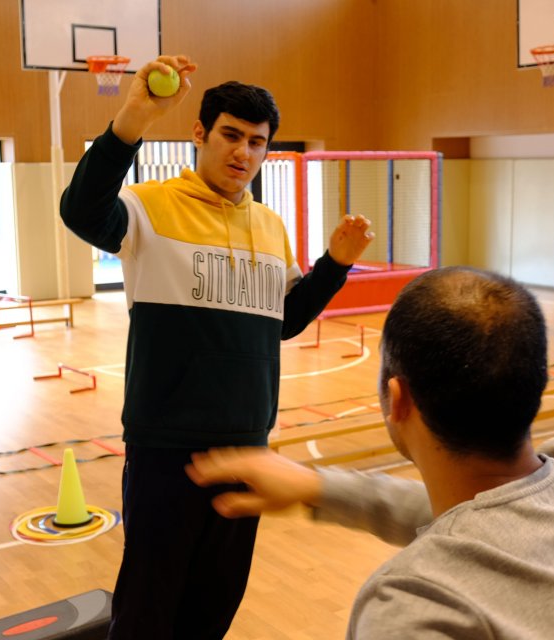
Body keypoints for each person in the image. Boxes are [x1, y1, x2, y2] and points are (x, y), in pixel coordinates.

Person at [59, 55, 375, 639]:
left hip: (247, 447)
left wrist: (335, 266)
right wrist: (134, 117)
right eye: (231, 135)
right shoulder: (149, 208)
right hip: (165, 449)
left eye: (257, 143)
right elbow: (80, 211)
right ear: (201, 133)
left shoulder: (270, 226)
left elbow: (282, 322)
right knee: (147, 611)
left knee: (214, 606)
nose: (243, 153)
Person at [187, 267, 554, 639]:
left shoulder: (421, 607)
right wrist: (319, 488)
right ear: (536, 382)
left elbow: (480, 533)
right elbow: (492, 522)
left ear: (398, 400)